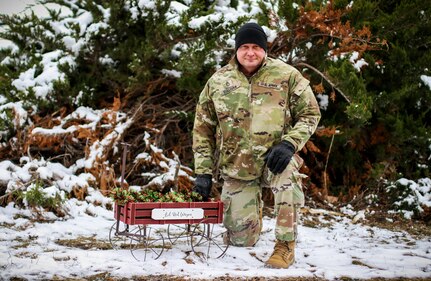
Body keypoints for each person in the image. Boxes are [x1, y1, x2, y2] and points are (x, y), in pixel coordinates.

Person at [192, 22, 321, 269]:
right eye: (244, 47)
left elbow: (310, 114)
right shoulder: (218, 81)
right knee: (241, 241)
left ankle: (285, 245)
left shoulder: (287, 75)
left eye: (256, 47)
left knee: (288, 176)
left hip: (276, 160)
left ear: (264, 49)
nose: (250, 52)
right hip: (237, 165)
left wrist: (289, 144)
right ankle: (251, 217)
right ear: (236, 49)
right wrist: (203, 173)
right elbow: (202, 129)